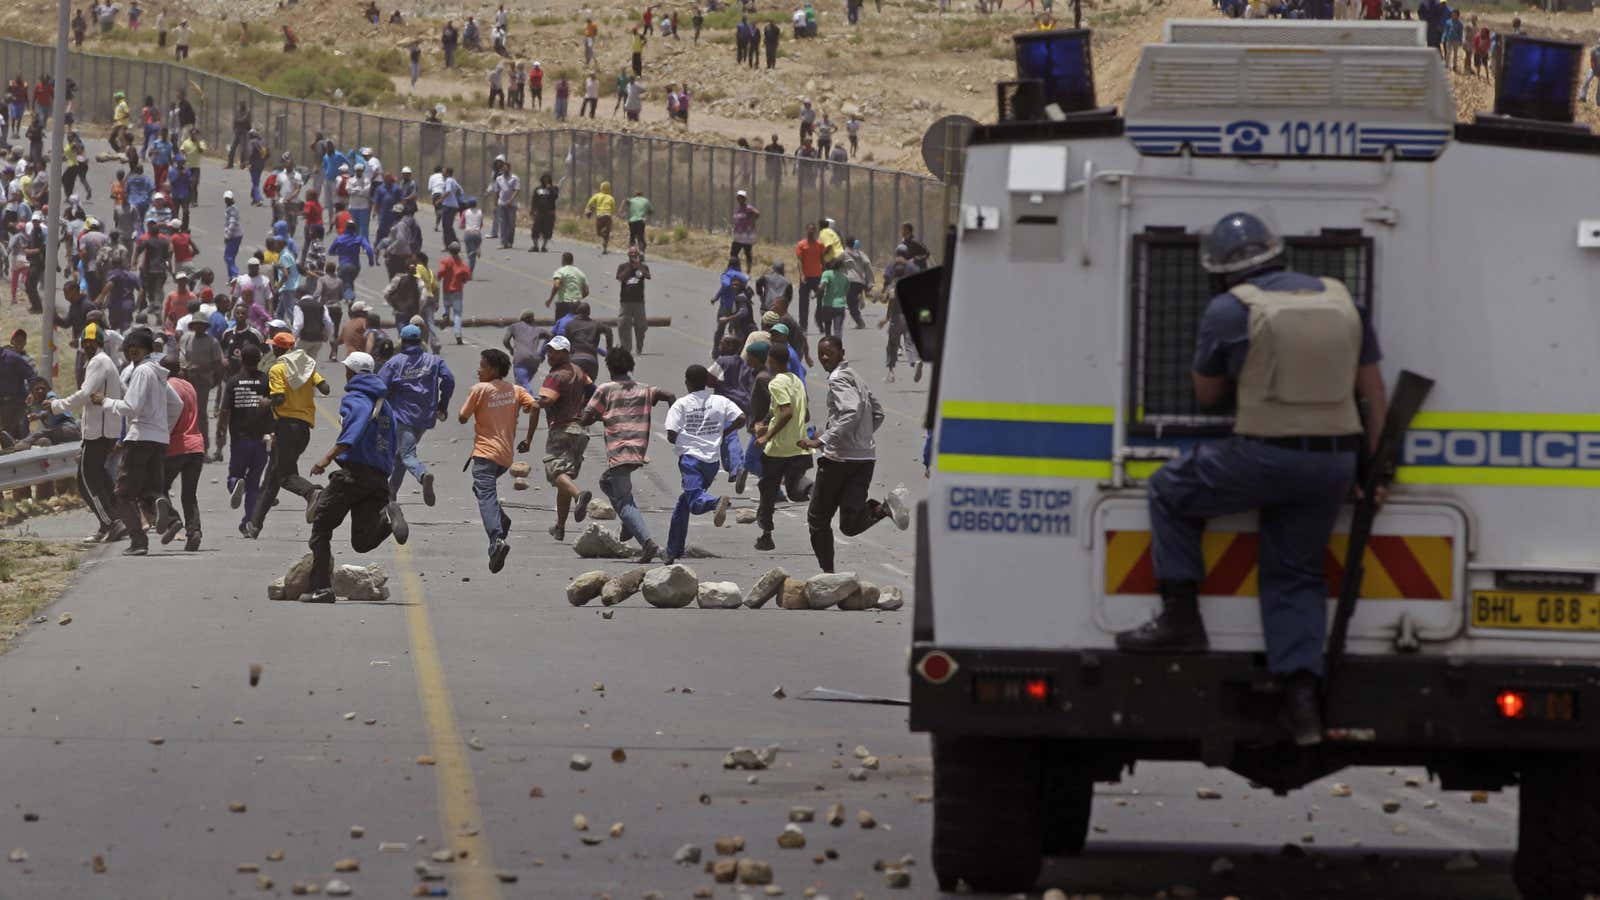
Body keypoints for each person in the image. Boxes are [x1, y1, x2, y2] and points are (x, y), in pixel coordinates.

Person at [1112, 212, 1388, 747]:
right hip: (1332, 466)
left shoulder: (1228, 309)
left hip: (1264, 458)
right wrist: (1374, 471)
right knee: (1296, 576)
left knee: (1170, 489)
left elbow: (1207, 394)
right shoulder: (1343, 300)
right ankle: (1301, 700)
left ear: (1220, 273)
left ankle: (1180, 618)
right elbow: (1374, 396)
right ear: (1277, 254)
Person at [302, 352, 408, 602]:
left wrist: (326, 458)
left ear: (352, 373)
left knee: (320, 527)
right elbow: (393, 443)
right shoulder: (386, 405)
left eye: (347, 369)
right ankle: (387, 517)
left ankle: (323, 588)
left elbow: (355, 428)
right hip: (378, 478)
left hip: (353, 476)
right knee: (361, 542)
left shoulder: (357, 398)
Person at [797, 335, 908, 572]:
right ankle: (882, 509)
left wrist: (821, 440)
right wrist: (861, 438)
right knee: (849, 524)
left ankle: (828, 575)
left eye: (830, 353)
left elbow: (851, 411)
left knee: (817, 520)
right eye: (821, 353)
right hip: (864, 459)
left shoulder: (837, 379)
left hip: (838, 460)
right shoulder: (856, 376)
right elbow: (877, 412)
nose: (825, 357)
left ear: (841, 353)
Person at [90, 328, 182, 556]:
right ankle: (169, 517)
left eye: (136, 350)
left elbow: (130, 407)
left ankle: (139, 541)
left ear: (146, 350)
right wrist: (163, 427)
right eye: (130, 350)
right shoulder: (159, 374)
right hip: (159, 440)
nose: (132, 354)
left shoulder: (141, 372)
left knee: (122, 494)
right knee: (147, 490)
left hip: (140, 437)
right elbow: (177, 405)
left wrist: (105, 401)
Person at [581, 348, 674, 563]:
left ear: (610, 367)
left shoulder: (605, 389)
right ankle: (628, 523)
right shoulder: (644, 389)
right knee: (606, 482)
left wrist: (585, 416)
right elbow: (668, 394)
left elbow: (586, 418)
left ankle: (648, 544)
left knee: (624, 501)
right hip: (637, 450)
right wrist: (674, 417)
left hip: (619, 450)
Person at [246, 332, 332, 538]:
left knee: (284, 477)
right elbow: (326, 388)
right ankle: (255, 524)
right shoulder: (306, 365)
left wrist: (264, 403)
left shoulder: (277, 368)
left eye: (273, 347)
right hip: (303, 430)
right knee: (273, 477)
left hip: (285, 428)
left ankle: (312, 492)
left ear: (277, 349)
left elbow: (278, 398)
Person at [458, 348, 537, 572]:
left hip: (484, 454)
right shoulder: (517, 390)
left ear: (493, 369)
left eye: (482, 365)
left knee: (485, 494)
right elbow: (536, 406)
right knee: (482, 491)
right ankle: (501, 519)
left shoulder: (480, 389)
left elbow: (462, 417)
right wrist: (528, 440)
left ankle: (496, 540)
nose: (478, 370)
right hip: (505, 458)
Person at [662, 364, 743, 564]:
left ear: (687, 383)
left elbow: (671, 435)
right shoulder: (720, 400)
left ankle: (716, 502)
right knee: (683, 503)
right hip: (712, 462)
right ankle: (673, 550)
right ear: (707, 381)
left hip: (691, 459)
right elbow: (741, 418)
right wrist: (725, 431)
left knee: (696, 503)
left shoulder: (681, 404)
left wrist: (684, 438)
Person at [50, 322, 123, 541]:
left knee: (86, 481)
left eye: (92, 342)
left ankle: (111, 523)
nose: (88, 346)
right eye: (86, 342)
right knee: (99, 478)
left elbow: (84, 394)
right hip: (102, 431)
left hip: (98, 433)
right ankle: (113, 521)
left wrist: (57, 406)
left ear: (99, 343)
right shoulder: (102, 362)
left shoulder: (98, 362)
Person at [521, 335, 593, 541]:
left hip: (562, 429)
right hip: (580, 431)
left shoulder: (556, 376)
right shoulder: (580, 372)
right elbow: (593, 391)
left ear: (566, 353)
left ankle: (579, 496)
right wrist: (585, 410)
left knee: (555, 471)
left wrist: (536, 404)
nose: (550, 354)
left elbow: (547, 400)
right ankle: (560, 527)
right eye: (549, 350)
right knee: (564, 478)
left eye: (555, 351)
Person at [380, 324, 455, 505]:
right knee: (401, 455)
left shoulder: (395, 362)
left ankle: (423, 475)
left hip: (402, 416)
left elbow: (379, 385)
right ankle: (391, 493)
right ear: (420, 341)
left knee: (406, 455)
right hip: (425, 417)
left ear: (403, 342)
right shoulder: (434, 361)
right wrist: (442, 404)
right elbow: (449, 380)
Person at [751, 343, 811, 551]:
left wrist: (767, 435)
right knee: (795, 491)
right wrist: (766, 424)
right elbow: (800, 413)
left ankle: (766, 536)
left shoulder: (776, 383)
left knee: (767, 490)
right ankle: (815, 489)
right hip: (800, 446)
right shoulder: (797, 381)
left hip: (778, 450)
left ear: (772, 361)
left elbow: (786, 413)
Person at [217, 343, 273, 535]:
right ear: (259, 361)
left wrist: (221, 433)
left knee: (234, 475)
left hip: (240, 439)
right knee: (254, 484)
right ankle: (249, 521)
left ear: (241, 360)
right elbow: (274, 407)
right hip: (261, 440)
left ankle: (234, 484)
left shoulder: (234, 381)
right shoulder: (266, 380)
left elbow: (224, 411)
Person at [160, 354, 206, 551]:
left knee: (159, 487)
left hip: (176, 445)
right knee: (189, 493)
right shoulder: (189, 386)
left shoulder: (167, 387)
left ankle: (173, 520)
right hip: (196, 445)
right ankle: (194, 531)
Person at [178, 311, 225, 452]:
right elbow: (181, 356)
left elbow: (218, 364)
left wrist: (213, 379)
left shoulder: (212, 342)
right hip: (187, 379)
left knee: (201, 414)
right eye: (196, 324)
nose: (199, 327)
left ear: (205, 326)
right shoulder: (186, 338)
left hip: (203, 381)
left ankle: (203, 446)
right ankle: (186, 444)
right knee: (185, 412)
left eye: (201, 325)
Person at [0, 328, 36, 441]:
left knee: (22, 438)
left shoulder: (13, 358)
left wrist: (31, 393)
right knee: (6, 440)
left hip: (17, 405)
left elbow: (32, 376)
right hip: (3, 407)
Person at [562, 302, 613, 382]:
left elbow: (566, 344)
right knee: (590, 387)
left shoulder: (569, 325)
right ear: (589, 313)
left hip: (575, 359)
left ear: (577, 311)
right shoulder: (596, 324)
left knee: (573, 387)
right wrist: (609, 349)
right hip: (591, 360)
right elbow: (608, 330)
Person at [434, 241, 472, 345]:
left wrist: (438, 279)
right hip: (458, 291)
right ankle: (458, 334)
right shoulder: (461, 263)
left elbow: (440, 273)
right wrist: (463, 280)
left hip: (447, 290)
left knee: (446, 307)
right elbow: (467, 275)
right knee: (457, 314)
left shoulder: (445, 262)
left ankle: (445, 315)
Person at [615, 248, 651, 354]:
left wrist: (639, 266)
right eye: (631, 255)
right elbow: (620, 278)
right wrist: (630, 268)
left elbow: (648, 276)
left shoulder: (643, 266)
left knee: (641, 326)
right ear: (628, 256)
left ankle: (639, 346)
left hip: (639, 302)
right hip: (625, 302)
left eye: (635, 255)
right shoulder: (623, 266)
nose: (633, 257)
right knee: (623, 325)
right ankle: (626, 349)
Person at [794, 223, 824, 332]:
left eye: (813, 230)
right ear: (806, 231)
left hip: (817, 277)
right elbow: (799, 261)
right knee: (803, 304)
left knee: (821, 301)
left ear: (815, 232)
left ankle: (820, 322)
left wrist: (824, 275)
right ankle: (803, 326)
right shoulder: (801, 245)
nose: (811, 232)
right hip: (805, 278)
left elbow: (822, 260)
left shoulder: (820, 245)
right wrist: (802, 275)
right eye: (809, 230)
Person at [547, 252, 589, 318]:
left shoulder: (560, 271)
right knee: (574, 325)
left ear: (563, 260)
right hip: (577, 304)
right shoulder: (581, 273)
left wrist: (550, 299)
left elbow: (556, 285)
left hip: (564, 303)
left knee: (561, 324)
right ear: (572, 261)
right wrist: (578, 298)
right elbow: (586, 292)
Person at [731, 190, 760, 272]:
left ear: (745, 199)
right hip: (737, 236)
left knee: (747, 254)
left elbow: (757, 214)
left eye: (742, 197)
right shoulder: (737, 209)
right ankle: (735, 269)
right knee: (733, 254)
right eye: (739, 197)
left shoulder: (748, 208)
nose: (740, 199)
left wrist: (751, 222)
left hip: (747, 237)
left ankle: (748, 271)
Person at [529, 173, 558, 252]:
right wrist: (532, 209)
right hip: (539, 213)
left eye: (547, 178)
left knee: (547, 230)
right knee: (535, 230)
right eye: (544, 178)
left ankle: (544, 247)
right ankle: (535, 246)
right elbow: (534, 200)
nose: (546, 180)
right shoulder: (538, 189)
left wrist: (551, 189)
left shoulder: (554, 188)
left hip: (549, 213)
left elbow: (555, 197)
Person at [624, 189, 652, 253]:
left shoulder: (632, 200)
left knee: (632, 236)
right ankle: (641, 252)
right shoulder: (646, 200)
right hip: (641, 221)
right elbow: (650, 210)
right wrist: (647, 213)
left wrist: (621, 212)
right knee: (640, 237)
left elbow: (625, 202)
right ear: (642, 195)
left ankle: (632, 251)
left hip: (632, 221)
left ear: (635, 195)